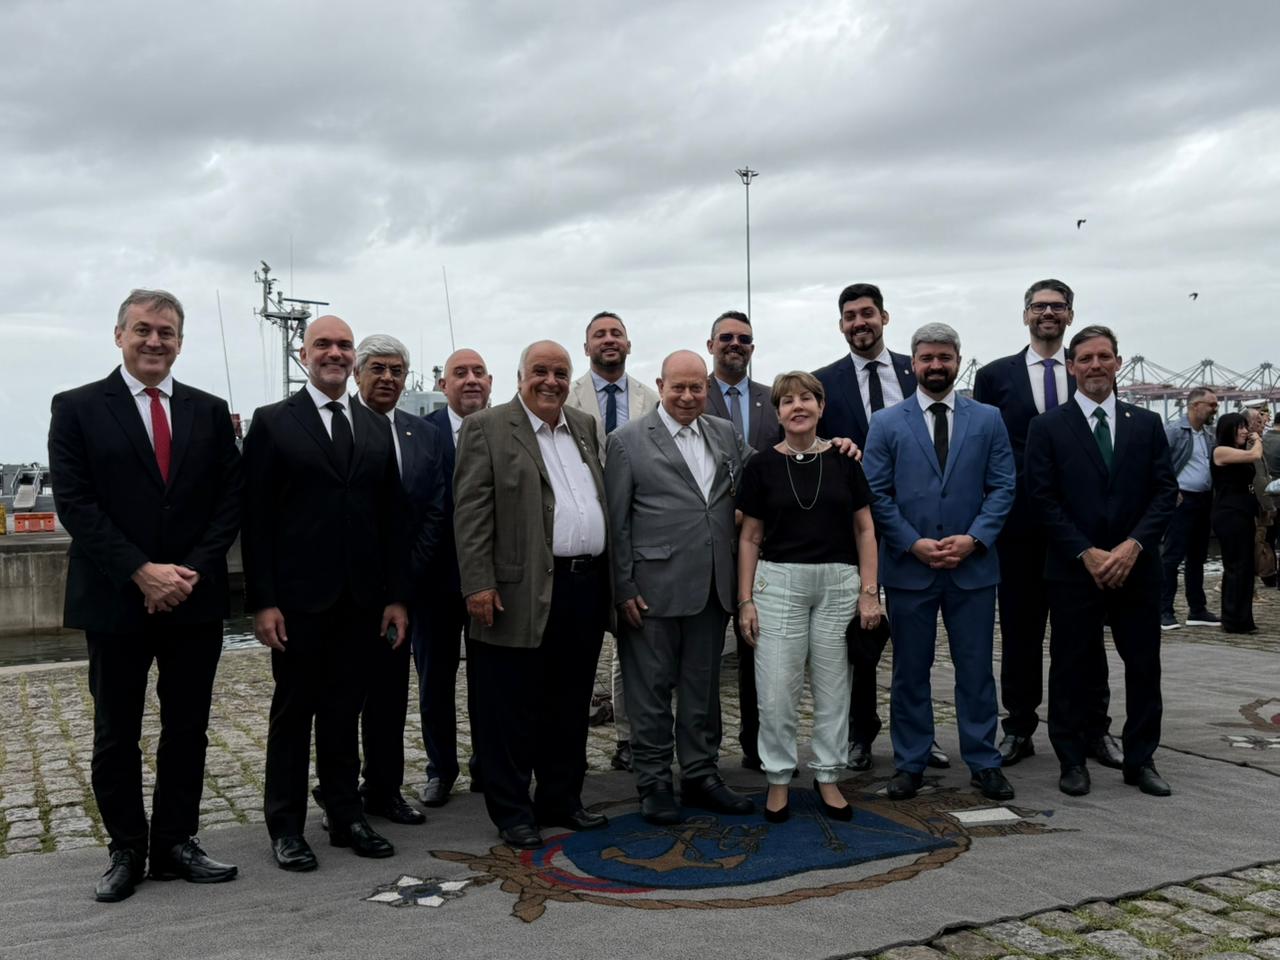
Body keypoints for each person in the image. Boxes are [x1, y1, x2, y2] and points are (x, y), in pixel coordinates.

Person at [48, 289, 243, 902]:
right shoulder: (77, 408)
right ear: (119, 335)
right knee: (116, 733)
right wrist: (140, 571)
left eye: (166, 332)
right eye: (143, 330)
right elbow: (76, 503)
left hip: (193, 599)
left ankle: (176, 843)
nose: (154, 341)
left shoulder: (210, 411)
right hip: (114, 599)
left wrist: (188, 573)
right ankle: (127, 849)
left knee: (188, 730)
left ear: (180, 342)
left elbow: (229, 501)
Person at [242, 314, 411, 870]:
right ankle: (286, 826)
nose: (334, 353)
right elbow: (256, 519)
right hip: (297, 603)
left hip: (361, 601)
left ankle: (345, 815)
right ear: (305, 354)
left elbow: (392, 518)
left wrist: (396, 596)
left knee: (344, 712)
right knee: (293, 716)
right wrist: (263, 600)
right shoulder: (273, 422)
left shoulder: (373, 426)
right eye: (324, 344)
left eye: (343, 345)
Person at [453, 341, 611, 850]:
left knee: (569, 702)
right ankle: (513, 811)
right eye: (540, 371)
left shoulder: (583, 426)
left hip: (583, 588)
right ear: (520, 376)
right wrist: (478, 583)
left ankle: (561, 799)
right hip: (515, 592)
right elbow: (471, 512)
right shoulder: (487, 428)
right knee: (509, 707)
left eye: (561, 373)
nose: (551, 381)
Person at [862, 323, 1017, 803]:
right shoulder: (886, 423)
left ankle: (984, 762)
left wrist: (975, 539)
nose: (935, 365)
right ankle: (910, 763)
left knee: (976, 670)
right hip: (910, 569)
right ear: (913, 363)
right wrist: (912, 543)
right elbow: (876, 493)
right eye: (927, 358)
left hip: (972, 568)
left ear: (957, 361)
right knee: (910, 670)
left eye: (944, 358)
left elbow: (1003, 486)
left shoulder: (988, 418)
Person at [972, 279, 1120, 770]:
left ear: (1070, 315)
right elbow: (985, 451)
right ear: (1025, 315)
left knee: (1085, 634)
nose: (1048, 313)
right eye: (1039, 306)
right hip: (1019, 528)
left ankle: (1093, 726)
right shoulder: (994, 377)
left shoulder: (1090, 372)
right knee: (1020, 632)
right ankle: (1018, 727)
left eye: (1058, 306)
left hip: (1082, 527)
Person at [1025, 325, 1178, 797]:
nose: (1096, 365)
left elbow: (1165, 492)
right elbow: (1041, 497)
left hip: (1137, 567)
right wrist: (1085, 551)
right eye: (1086, 358)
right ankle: (1072, 760)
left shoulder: (1146, 424)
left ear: (1118, 363)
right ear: (1071, 366)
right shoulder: (1047, 427)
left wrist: (1134, 546)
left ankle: (1141, 759)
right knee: (1070, 666)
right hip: (1074, 569)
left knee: (1144, 667)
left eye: (1104, 357)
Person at [604, 350, 755, 825]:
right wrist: (622, 587)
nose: (687, 396)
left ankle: (700, 774)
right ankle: (653, 782)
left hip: (712, 587)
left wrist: (827, 445)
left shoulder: (725, 433)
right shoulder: (626, 441)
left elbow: (767, 470)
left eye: (696, 387)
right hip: (650, 592)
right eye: (678, 387)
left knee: (701, 691)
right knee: (649, 693)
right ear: (660, 386)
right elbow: (616, 522)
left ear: (707, 388)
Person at [814, 283, 948, 773]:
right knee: (859, 637)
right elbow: (812, 444)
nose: (859, 323)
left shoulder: (921, 371)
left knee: (918, 642)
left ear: (884, 318)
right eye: (850, 316)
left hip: (916, 522)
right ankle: (860, 734)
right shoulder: (823, 382)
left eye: (867, 313)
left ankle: (920, 734)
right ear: (841, 325)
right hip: (852, 526)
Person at [736, 371, 881, 822]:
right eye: (787, 401)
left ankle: (828, 775)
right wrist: (745, 600)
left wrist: (869, 593)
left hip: (838, 583)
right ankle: (778, 778)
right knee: (777, 691)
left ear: (821, 407)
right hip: (778, 584)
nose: (797, 406)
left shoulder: (845, 460)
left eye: (806, 398)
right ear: (778, 413)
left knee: (834, 689)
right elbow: (750, 537)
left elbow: (865, 529)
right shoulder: (760, 466)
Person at [348, 334, 446, 825]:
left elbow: (435, 508)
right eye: (378, 368)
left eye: (397, 370)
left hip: (403, 592)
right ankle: (340, 797)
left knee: (390, 697)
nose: (388, 378)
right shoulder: (339, 426)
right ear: (357, 373)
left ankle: (384, 789)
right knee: (343, 700)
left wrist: (405, 581)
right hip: (346, 591)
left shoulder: (422, 433)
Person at [565, 311, 660, 774]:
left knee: (633, 642)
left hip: (635, 536)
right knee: (574, 650)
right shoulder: (566, 395)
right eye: (599, 334)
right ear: (586, 347)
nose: (609, 340)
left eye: (616, 333)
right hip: (580, 535)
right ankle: (568, 748)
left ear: (628, 343)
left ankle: (629, 738)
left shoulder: (650, 398)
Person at [703, 309, 782, 773]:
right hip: (708, 543)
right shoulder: (692, 394)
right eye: (727, 337)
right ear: (711, 344)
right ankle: (703, 752)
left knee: (758, 648)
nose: (736, 344)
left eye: (744, 339)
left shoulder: (772, 399)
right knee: (705, 655)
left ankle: (757, 745)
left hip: (764, 543)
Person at [418, 348, 493, 806]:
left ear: (491, 382)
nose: (470, 380)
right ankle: (440, 770)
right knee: (435, 682)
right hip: (434, 582)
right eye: (459, 373)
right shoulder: (420, 433)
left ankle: (489, 766)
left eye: (478, 372)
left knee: (490, 682)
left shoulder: (505, 429)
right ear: (443, 385)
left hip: (491, 580)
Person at [1160, 387, 1221, 630]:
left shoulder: (1208, 434)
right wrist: (1170, 490)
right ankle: (1164, 610)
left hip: (1203, 500)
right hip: (1181, 501)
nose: (1215, 409)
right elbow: (1158, 462)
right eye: (1211, 405)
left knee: (1198, 557)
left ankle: (1197, 610)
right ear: (1195, 406)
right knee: (1172, 557)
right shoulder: (1174, 431)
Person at [1211, 412, 1263, 634]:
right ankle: (1233, 619)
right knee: (1236, 566)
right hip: (1229, 514)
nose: (1244, 431)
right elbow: (1255, 455)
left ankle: (1242, 618)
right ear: (1228, 430)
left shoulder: (1238, 452)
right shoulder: (1220, 451)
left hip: (1243, 512)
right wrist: (1257, 440)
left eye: (1245, 427)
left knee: (1245, 566)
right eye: (1240, 428)